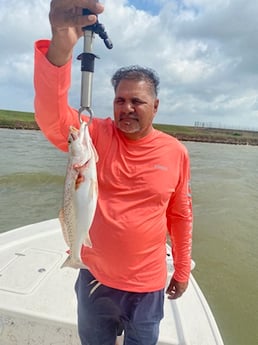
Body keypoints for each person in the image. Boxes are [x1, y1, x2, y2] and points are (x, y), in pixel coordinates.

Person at [33, 1, 193, 344]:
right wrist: (61, 44)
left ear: (156, 106)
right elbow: (51, 118)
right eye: (120, 100)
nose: (127, 108)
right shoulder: (96, 135)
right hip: (96, 279)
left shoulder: (175, 151)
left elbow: (180, 215)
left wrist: (181, 268)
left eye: (137, 101)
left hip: (147, 288)